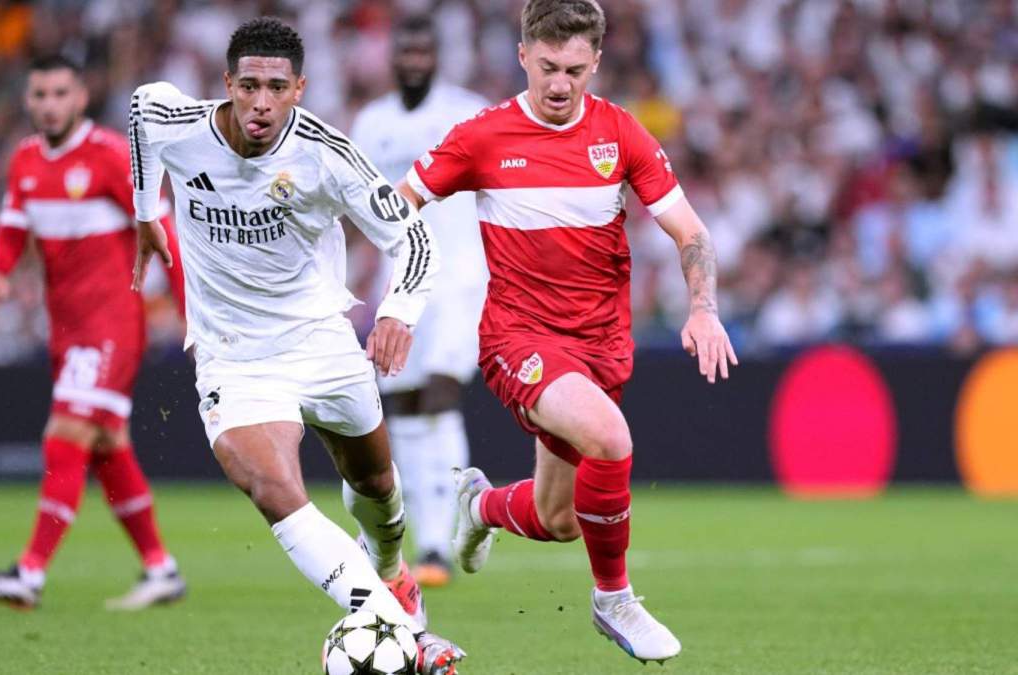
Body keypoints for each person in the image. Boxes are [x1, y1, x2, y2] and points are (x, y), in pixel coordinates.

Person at [397, 0, 738, 665]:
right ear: (523, 55)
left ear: (596, 63)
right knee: (611, 438)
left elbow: (690, 232)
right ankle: (614, 598)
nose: (560, 84)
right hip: (516, 337)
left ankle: (482, 505)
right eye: (547, 67)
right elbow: (398, 205)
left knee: (558, 518)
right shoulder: (482, 136)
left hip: (600, 345)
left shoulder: (622, 135)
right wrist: (398, 300)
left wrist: (704, 307)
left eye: (575, 70)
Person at [127, 18, 464, 674]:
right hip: (233, 355)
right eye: (248, 85)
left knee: (379, 495)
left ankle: (394, 575)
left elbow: (415, 239)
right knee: (271, 484)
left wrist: (398, 310)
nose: (260, 101)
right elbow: (142, 109)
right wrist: (147, 212)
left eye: (276, 87)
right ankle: (405, 635)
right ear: (227, 83)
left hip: (322, 343)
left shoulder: (326, 154)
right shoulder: (182, 124)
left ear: (299, 90)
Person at [0, 56, 187, 611]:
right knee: (107, 445)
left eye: (60, 92)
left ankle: (29, 574)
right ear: (28, 100)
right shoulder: (25, 161)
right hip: (65, 328)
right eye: (39, 93)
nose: (49, 104)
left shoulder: (112, 156)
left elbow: (164, 235)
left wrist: (192, 313)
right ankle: (162, 569)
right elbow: (14, 225)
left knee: (64, 434)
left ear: (80, 97)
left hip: (112, 324)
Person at [349, 15, 490, 588]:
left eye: (422, 51)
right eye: (404, 51)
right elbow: (357, 204)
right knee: (403, 404)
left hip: (461, 277)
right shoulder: (371, 122)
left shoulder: (468, 112)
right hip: (399, 283)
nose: (413, 60)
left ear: (436, 56)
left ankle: (447, 533)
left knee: (439, 393)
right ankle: (429, 540)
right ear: (393, 58)